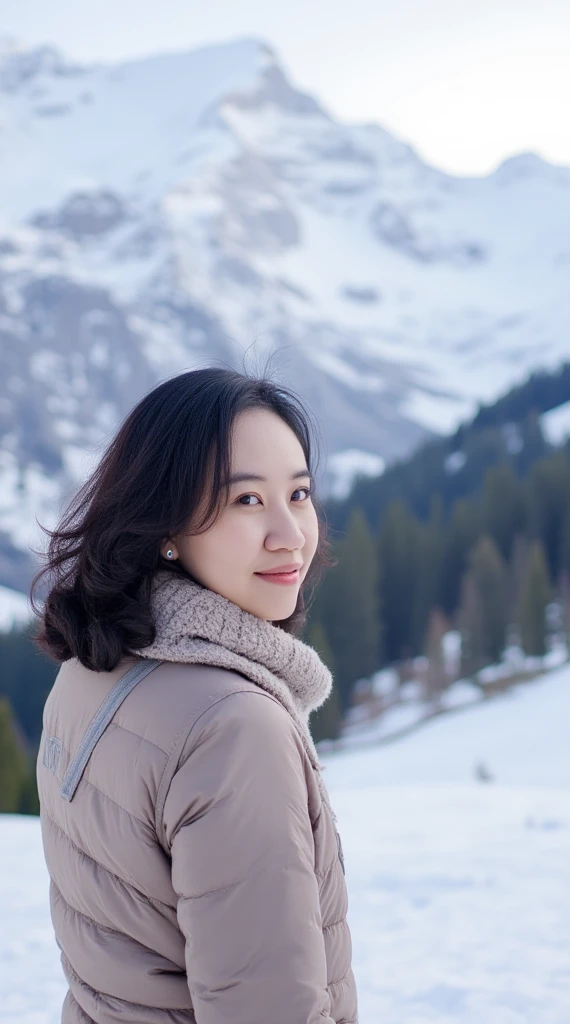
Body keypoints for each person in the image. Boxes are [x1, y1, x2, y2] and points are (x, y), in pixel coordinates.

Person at [33, 366, 358, 1024]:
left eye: (298, 494)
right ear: (166, 525)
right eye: (246, 501)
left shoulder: (94, 665)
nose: (290, 533)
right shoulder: (235, 728)